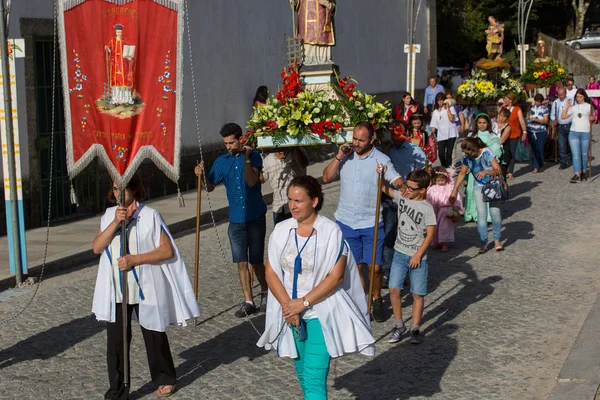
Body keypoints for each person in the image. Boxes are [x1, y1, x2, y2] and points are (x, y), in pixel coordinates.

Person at [257, 175, 375, 399]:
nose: (292, 205)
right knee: (302, 374)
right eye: (290, 200)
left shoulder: (331, 232)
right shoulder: (281, 230)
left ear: (314, 201)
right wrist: (288, 307)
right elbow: (271, 272)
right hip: (289, 313)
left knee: (313, 379)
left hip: (320, 312)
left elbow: (336, 277)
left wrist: (302, 303)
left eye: (298, 201)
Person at [92, 175, 200, 399]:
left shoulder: (150, 216)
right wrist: (114, 223)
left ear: (133, 189)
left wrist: (136, 260)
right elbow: (97, 247)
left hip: (146, 284)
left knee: (154, 333)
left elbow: (167, 251)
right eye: (114, 189)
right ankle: (118, 388)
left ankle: (165, 377)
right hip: (117, 288)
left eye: (121, 188)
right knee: (116, 341)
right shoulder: (108, 217)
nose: (117, 193)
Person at [322, 122, 404, 322]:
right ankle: (360, 300)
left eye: (361, 140)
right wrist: (339, 156)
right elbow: (326, 177)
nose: (356, 143)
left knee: (374, 267)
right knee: (356, 266)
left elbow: (396, 180)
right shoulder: (346, 157)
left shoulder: (381, 160)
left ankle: (376, 298)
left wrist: (401, 185)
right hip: (346, 220)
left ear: (372, 140)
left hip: (371, 221)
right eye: (355, 139)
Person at [195, 123, 269, 317]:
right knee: (241, 262)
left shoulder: (253, 156)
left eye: (231, 142)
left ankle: (265, 292)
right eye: (225, 143)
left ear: (240, 139)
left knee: (256, 261)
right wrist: (202, 177)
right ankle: (248, 300)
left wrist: (245, 158)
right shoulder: (222, 161)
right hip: (236, 219)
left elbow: (252, 182)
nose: (228, 146)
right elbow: (209, 186)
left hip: (255, 216)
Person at [376, 168, 436, 345]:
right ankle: (399, 325)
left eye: (410, 188)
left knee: (417, 293)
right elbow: (383, 188)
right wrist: (381, 173)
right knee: (394, 289)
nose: (406, 190)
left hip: (418, 257)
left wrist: (418, 255)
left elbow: (430, 235)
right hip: (400, 253)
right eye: (406, 186)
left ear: (422, 190)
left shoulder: (427, 209)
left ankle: (415, 328)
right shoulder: (402, 197)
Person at [382, 127, 427, 288]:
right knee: (389, 233)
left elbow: (424, 168)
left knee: (407, 234)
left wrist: (418, 191)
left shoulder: (414, 149)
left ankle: (406, 270)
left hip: (408, 196)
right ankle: (388, 271)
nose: (395, 137)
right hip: (388, 195)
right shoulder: (386, 149)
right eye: (392, 133)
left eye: (398, 133)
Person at [450, 137, 504, 253]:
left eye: (467, 152)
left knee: (495, 212)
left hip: (492, 184)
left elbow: (498, 170)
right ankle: (483, 242)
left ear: (474, 149)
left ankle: (497, 240)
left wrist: (487, 172)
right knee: (481, 214)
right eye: (464, 152)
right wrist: (454, 190)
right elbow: (462, 173)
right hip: (478, 186)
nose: (465, 154)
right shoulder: (467, 158)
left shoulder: (486, 152)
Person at [464, 113, 501, 224]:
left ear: (488, 123)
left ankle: (486, 216)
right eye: (479, 123)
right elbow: (466, 150)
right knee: (471, 191)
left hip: (486, 169)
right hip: (473, 169)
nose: (482, 125)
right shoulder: (471, 135)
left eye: (484, 123)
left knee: (486, 192)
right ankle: (472, 213)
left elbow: (496, 152)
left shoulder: (493, 136)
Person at [261, 148, 309, 225]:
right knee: (281, 235)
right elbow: (261, 179)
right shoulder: (268, 159)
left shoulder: (298, 152)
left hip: (299, 205)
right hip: (279, 207)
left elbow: (304, 164)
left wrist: (295, 146)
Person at [426, 166, 464, 253]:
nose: (440, 182)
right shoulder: (432, 189)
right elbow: (429, 199)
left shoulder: (450, 187)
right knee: (436, 227)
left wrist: (455, 207)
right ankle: (437, 242)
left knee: (444, 228)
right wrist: (431, 208)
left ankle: (444, 244)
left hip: (446, 211)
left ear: (446, 178)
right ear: (435, 180)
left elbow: (456, 196)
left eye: (442, 180)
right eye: (438, 181)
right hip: (436, 210)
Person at [561, 88, 595, 182]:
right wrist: (567, 106)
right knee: (575, 154)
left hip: (585, 132)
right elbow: (563, 117)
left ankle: (583, 171)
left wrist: (592, 119)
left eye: (580, 97)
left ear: (584, 96)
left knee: (584, 154)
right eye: (577, 97)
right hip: (574, 132)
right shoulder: (574, 107)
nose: (578, 99)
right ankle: (577, 173)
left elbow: (592, 120)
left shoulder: (589, 106)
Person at [290, 0, 336, 65]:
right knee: (307, 38)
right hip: (305, 16)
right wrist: (294, 2)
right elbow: (297, 3)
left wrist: (328, 4)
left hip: (321, 17)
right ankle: (307, 59)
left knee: (321, 36)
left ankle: (322, 59)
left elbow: (332, 4)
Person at [105, 24, 135, 105]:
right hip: (115, 64)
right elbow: (109, 51)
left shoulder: (125, 42)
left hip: (124, 65)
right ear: (116, 32)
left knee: (124, 81)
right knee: (116, 82)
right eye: (118, 32)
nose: (119, 33)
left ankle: (125, 99)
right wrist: (108, 49)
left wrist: (129, 58)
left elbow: (129, 53)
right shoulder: (112, 42)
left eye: (120, 32)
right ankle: (116, 99)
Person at [430, 92, 458, 168]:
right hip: (441, 135)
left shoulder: (450, 108)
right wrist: (430, 135)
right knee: (441, 153)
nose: (440, 102)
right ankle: (444, 166)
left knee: (449, 153)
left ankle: (448, 168)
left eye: (442, 100)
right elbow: (433, 126)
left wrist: (448, 108)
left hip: (451, 134)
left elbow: (451, 118)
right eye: (438, 100)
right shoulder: (435, 112)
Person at [503, 92, 527, 180]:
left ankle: (510, 172)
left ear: (511, 100)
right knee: (504, 152)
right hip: (504, 133)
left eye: (506, 99)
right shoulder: (503, 109)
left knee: (511, 153)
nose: (504, 100)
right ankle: (504, 170)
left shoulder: (517, 109)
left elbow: (522, 122)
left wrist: (524, 132)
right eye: (504, 99)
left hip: (514, 134)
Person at [550, 88, 572, 170]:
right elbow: (552, 113)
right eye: (559, 95)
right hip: (560, 125)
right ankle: (563, 162)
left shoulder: (570, 100)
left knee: (571, 144)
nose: (561, 96)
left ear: (565, 93)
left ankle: (573, 159)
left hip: (570, 124)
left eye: (562, 94)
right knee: (561, 145)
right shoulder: (556, 102)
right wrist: (553, 120)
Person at [526, 94, 549, 173]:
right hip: (532, 130)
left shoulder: (544, 108)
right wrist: (529, 119)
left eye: (539, 102)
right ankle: (535, 166)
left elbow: (545, 121)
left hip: (541, 130)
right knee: (534, 149)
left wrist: (536, 120)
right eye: (536, 101)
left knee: (540, 148)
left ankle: (541, 164)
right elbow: (528, 118)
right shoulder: (531, 108)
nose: (537, 103)